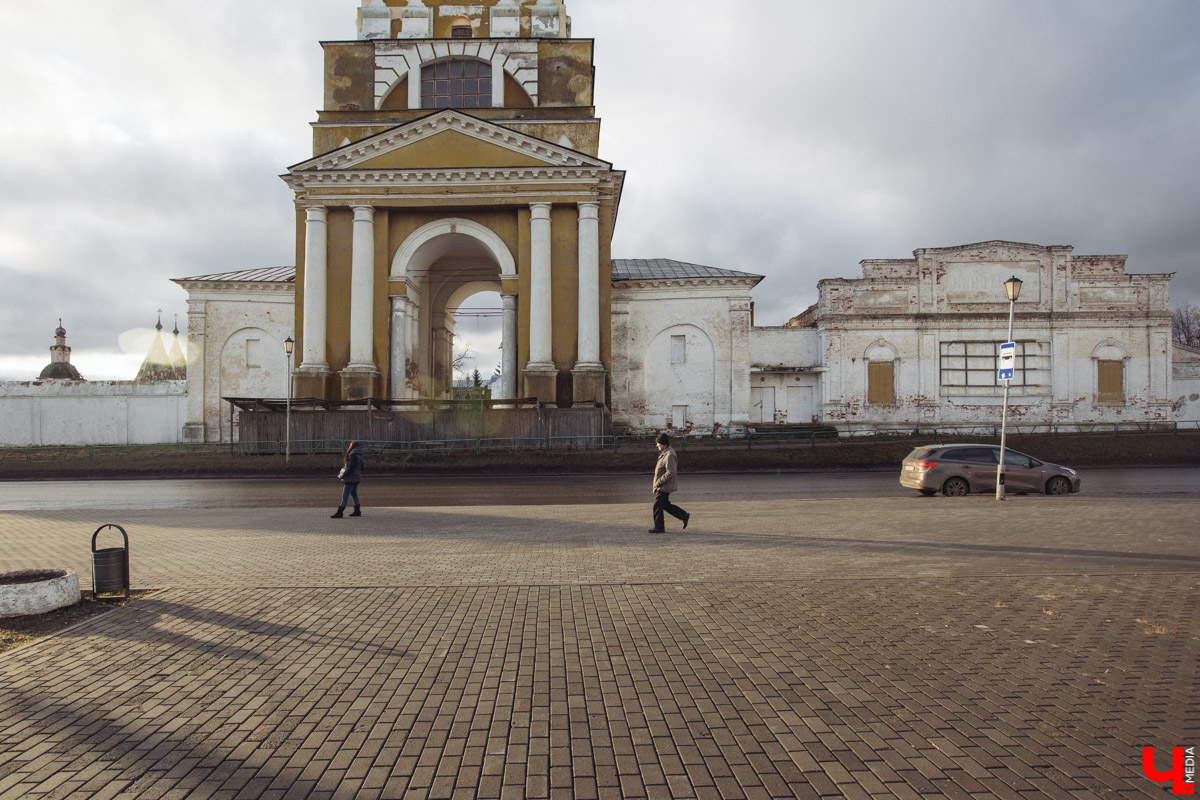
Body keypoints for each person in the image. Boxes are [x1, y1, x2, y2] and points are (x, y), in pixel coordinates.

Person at [649, 432, 690, 533]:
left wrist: (659, 482)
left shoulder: (669, 455)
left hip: (664, 486)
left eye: (658, 443)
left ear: (663, 444)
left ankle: (659, 527)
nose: (656, 445)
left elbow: (671, 472)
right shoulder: (665, 453)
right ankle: (683, 515)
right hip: (663, 485)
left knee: (657, 505)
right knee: (665, 505)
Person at [332, 441, 364, 518]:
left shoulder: (352, 455)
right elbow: (362, 466)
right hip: (356, 477)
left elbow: (350, 468)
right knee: (354, 494)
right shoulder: (359, 454)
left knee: (345, 495)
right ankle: (357, 510)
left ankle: (340, 512)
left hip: (351, 478)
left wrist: (344, 475)